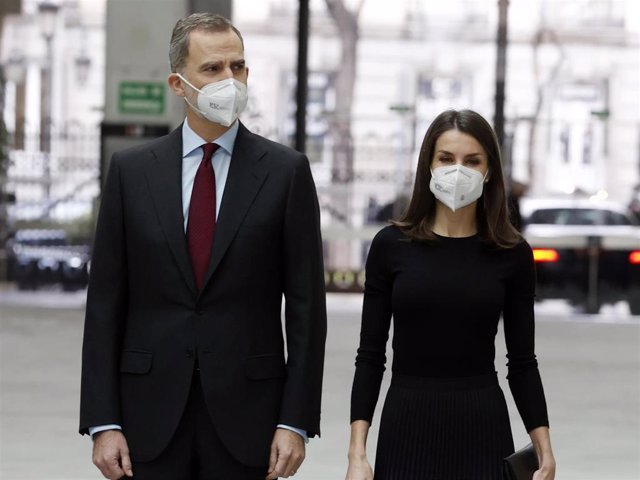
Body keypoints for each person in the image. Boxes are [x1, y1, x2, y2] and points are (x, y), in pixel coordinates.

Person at [79, 13, 327, 480]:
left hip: (249, 417)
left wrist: (295, 420)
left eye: (237, 67)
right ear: (178, 82)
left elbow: (307, 309)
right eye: (212, 69)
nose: (228, 80)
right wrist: (103, 420)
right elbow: (105, 303)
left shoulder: (286, 173)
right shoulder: (131, 173)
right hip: (146, 417)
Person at [345, 109, 556, 480]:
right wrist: (356, 453)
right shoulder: (391, 246)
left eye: (472, 161)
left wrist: (544, 449)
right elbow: (370, 355)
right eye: (446, 158)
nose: (458, 170)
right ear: (429, 164)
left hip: (482, 423)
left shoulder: (511, 253)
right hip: (406, 422)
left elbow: (522, 361)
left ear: (489, 170)